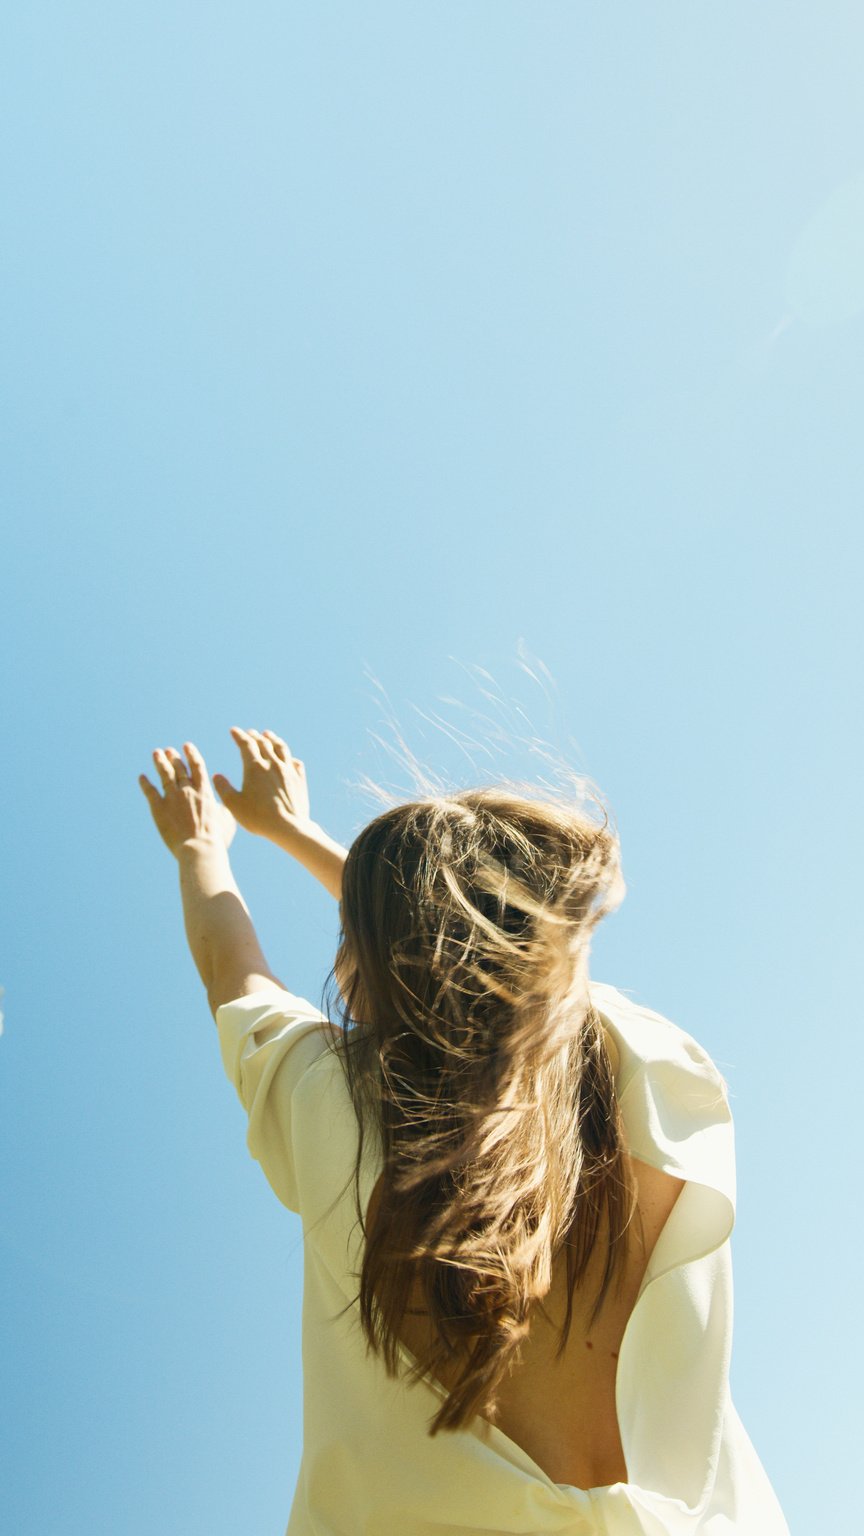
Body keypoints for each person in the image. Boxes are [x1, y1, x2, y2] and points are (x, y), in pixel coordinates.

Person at [140, 727, 791, 1536]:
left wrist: (202, 844)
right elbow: (492, 947)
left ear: (374, 959)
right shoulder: (656, 1069)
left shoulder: (329, 1102)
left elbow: (227, 963)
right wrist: (299, 834)